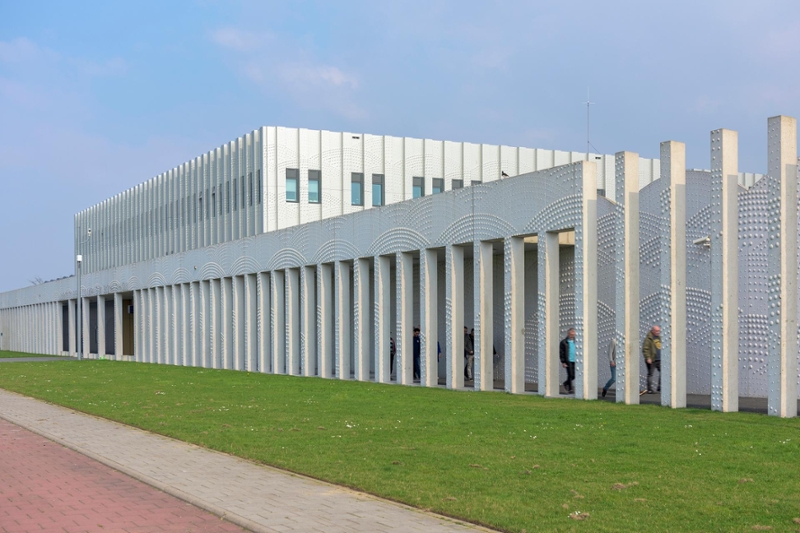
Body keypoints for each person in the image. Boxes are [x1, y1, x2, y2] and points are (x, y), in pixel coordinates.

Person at [642, 325, 662, 394]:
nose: (658, 332)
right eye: (656, 331)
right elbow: (645, 349)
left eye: (659, 331)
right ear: (652, 331)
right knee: (650, 374)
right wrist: (648, 357)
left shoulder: (659, 338)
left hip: (659, 359)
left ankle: (660, 387)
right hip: (652, 359)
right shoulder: (648, 338)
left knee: (663, 372)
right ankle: (649, 389)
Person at [559, 328, 577, 393]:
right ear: (568, 334)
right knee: (570, 375)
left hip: (575, 360)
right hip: (568, 360)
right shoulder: (563, 342)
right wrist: (563, 362)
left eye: (573, 334)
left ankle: (565, 383)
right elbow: (561, 353)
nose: (572, 335)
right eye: (571, 334)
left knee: (574, 376)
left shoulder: (576, 342)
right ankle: (570, 389)